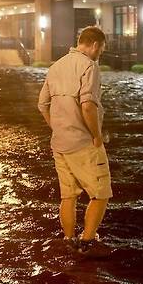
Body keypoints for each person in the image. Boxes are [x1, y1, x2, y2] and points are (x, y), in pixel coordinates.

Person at [37, 26, 111, 256]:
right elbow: (88, 105)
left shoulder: (55, 66)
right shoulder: (89, 66)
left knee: (68, 196)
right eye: (102, 50)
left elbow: (42, 105)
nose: (100, 54)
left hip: (59, 143)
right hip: (83, 143)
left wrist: (57, 127)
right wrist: (97, 136)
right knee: (100, 193)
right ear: (95, 45)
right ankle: (88, 241)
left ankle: (68, 240)